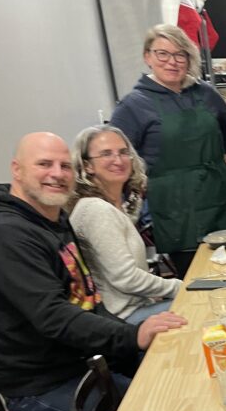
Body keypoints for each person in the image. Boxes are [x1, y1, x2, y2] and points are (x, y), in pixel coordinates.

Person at [0, 132, 187, 411]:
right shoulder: (5, 235)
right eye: (44, 164)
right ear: (17, 170)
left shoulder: (53, 220)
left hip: (86, 360)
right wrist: (131, 336)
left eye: (64, 166)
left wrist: (131, 337)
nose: (57, 174)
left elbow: (90, 300)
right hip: (44, 385)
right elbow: (54, 317)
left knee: (181, 373)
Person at [111, 23, 226, 277]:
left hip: (218, 197)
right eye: (163, 53)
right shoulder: (134, 104)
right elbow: (118, 153)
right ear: (147, 57)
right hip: (176, 208)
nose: (172, 62)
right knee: (197, 279)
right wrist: (135, 185)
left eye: (179, 54)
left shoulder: (205, 93)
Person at [68, 126, 182, 325]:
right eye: (106, 154)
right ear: (87, 166)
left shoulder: (112, 205)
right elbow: (126, 279)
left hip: (136, 307)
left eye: (123, 152)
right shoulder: (97, 210)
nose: (118, 160)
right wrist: (181, 286)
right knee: (202, 303)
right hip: (125, 319)